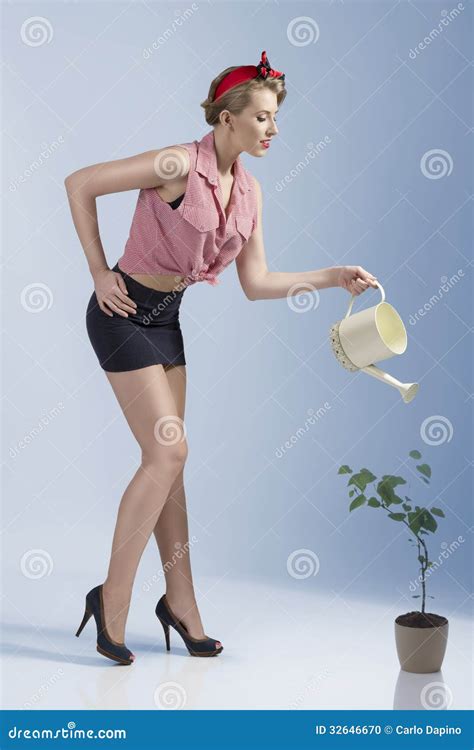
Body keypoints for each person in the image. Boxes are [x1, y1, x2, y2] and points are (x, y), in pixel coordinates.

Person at [65, 51, 378, 665]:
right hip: (123, 313)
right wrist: (99, 272)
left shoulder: (250, 191)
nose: (272, 129)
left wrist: (334, 276)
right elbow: (80, 183)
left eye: (275, 117)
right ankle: (113, 599)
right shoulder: (177, 163)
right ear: (228, 117)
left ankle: (181, 604)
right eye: (262, 117)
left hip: (168, 323)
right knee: (168, 451)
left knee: (171, 467)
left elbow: (256, 282)